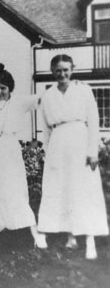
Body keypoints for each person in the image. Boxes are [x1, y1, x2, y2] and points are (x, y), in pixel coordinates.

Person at [37, 54, 109, 259]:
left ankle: (90, 241)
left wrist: (92, 151)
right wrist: (47, 152)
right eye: (58, 70)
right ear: (52, 71)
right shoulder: (48, 95)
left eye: (66, 69)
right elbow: (45, 128)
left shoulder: (83, 90)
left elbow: (93, 120)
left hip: (79, 141)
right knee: (62, 188)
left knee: (84, 189)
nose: (62, 74)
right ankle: (70, 237)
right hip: (58, 145)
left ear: (72, 69)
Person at [0, 63, 46, 248]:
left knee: (13, 190)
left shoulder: (18, 102)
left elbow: (41, 98)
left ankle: (35, 232)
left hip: (8, 152)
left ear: (10, 89)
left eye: (3, 88)